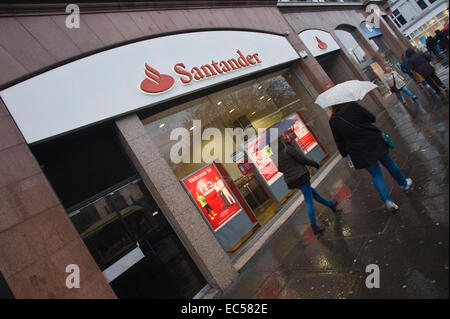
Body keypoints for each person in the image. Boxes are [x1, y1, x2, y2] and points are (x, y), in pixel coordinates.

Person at [328, 102, 413, 212]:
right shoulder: (353, 106)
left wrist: (345, 153)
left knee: (376, 174)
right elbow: (372, 118)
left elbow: (339, 140)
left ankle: (388, 201)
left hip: (358, 151)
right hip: (373, 141)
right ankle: (404, 184)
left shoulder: (333, 120)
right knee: (389, 163)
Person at [277, 135, 338, 235]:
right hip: (300, 176)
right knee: (309, 200)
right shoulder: (288, 149)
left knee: (313, 194)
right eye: (284, 136)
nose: (286, 137)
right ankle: (314, 226)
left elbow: (280, 169)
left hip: (292, 180)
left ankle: (330, 205)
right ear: (281, 140)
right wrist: (315, 164)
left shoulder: (278, 155)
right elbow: (302, 159)